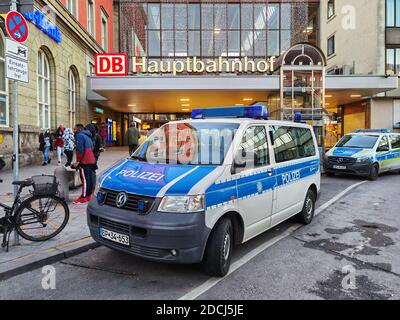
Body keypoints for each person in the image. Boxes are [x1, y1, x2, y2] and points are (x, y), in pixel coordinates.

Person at [72, 124, 97, 204]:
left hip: (84, 161)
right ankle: (89, 195)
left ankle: (84, 197)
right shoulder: (88, 136)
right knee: (89, 179)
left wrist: (78, 161)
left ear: (78, 129)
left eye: (74, 129)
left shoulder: (79, 136)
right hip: (91, 160)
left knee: (85, 180)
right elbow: (92, 147)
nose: (73, 130)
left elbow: (80, 150)